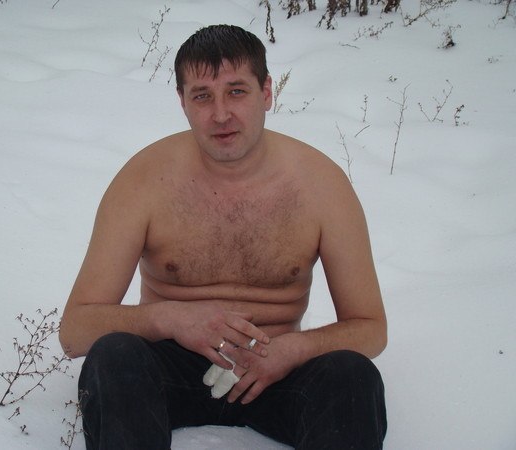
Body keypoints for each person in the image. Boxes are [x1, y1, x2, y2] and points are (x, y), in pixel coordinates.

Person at [59, 24, 387, 450]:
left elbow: (370, 329)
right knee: (114, 357)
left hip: (277, 370)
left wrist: (292, 350)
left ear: (266, 92)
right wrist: (169, 319)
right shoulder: (144, 181)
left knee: (353, 377)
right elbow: (75, 331)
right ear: (182, 102)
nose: (220, 114)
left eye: (236, 91)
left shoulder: (321, 185)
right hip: (170, 366)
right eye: (202, 96)